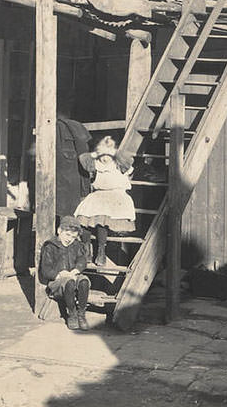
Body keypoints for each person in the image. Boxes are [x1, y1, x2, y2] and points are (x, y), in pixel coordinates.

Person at [75, 135, 136, 267]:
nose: (104, 158)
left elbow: (128, 160)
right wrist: (97, 153)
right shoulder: (96, 164)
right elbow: (83, 159)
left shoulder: (119, 164)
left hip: (116, 196)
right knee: (83, 219)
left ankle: (101, 250)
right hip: (98, 195)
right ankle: (86, 249)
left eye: (107, 155)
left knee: (102, 219)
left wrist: (113, 152)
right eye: (102, 155)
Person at [38, 215, 91, 331]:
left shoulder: (76, 245)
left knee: (84, 281)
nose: (69, 239)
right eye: (67, 234)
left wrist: (76, 269)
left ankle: (81, 314)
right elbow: (46, 270)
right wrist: (60, 274)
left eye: (73, 237)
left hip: (72, 275)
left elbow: (82, 259)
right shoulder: (50, 246)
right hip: (57, 282)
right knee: (70, 282)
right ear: (59, 231)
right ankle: (71, 314)